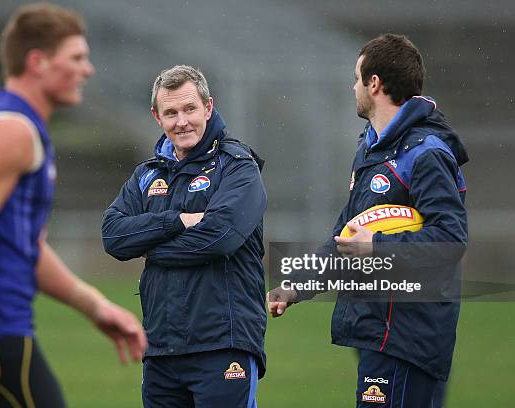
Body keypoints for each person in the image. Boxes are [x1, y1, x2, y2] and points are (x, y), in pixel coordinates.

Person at [0, 3, 146, 406]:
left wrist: (94, 306)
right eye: (77, 58)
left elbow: (24, 245)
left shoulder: (15, 123)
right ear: (37, 62)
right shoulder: (11, 131)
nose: (88, 70)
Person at [267, 34, 468, 407]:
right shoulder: (372, 149)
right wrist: (296, 287)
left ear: (374, 84)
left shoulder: (425, 154)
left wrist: (376, 246)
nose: (353, 86)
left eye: (357, 78)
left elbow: (450, 241)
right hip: (379, 331)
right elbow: (346, 237)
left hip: (408, 336)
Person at [102, 65, 267, 408]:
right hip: (161, 347)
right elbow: (113, 236)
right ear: (156, 116)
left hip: (223, 344)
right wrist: (175, 221)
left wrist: (150, 247)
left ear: (208, 107)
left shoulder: (238, 166)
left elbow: (219, 238)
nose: (182, 122)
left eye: (190, 109)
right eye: (171, 113)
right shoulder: (147, 174)